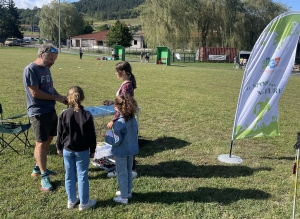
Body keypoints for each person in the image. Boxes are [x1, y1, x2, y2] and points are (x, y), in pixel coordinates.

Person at [23, 44, 67, 191]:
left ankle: (37, 168)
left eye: (54, 59)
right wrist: (56, 97)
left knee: (48, 139)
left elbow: (49, 87)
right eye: (50, 59)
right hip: (38, 112)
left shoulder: (46, 68)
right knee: (41, 144)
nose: (52, 62)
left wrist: (59, 96)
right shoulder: (31, 70)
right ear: (41, 55)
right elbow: (35, 93)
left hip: (49, 109)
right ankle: (43, 176)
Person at [56, 86, 97, 210]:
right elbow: (92, 135)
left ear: (68, 98)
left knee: (69, 175)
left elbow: (59, 134)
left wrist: (59, 147)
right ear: (83, 98)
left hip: (67, 150)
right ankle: (84, 203)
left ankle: (71, 200)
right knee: (82, 175)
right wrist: (93, 150)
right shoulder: (87, 115)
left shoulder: (63, 114)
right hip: (82, 151)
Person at [103, 61, 138, 178]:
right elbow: (124, 102)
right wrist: (113, 102)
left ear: (123, 72)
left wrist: (113, 120)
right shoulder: (126, 84)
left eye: (116, 72)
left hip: (124, 119)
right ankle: (128, 169)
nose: (115, 74)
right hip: (126, 117)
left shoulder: (127, 86)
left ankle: (126, 170)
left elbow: (124, 107)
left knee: (123, 143)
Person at [104, 94, 139, 204]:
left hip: (121, 152)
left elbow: (116, 140)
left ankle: (123, 197)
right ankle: (127, 192)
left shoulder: (119, 123)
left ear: (120, 107)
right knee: (128, 171)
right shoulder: (133, 119)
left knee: (121, 173)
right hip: (131, 150)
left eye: (115, 105)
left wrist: (107, 135)